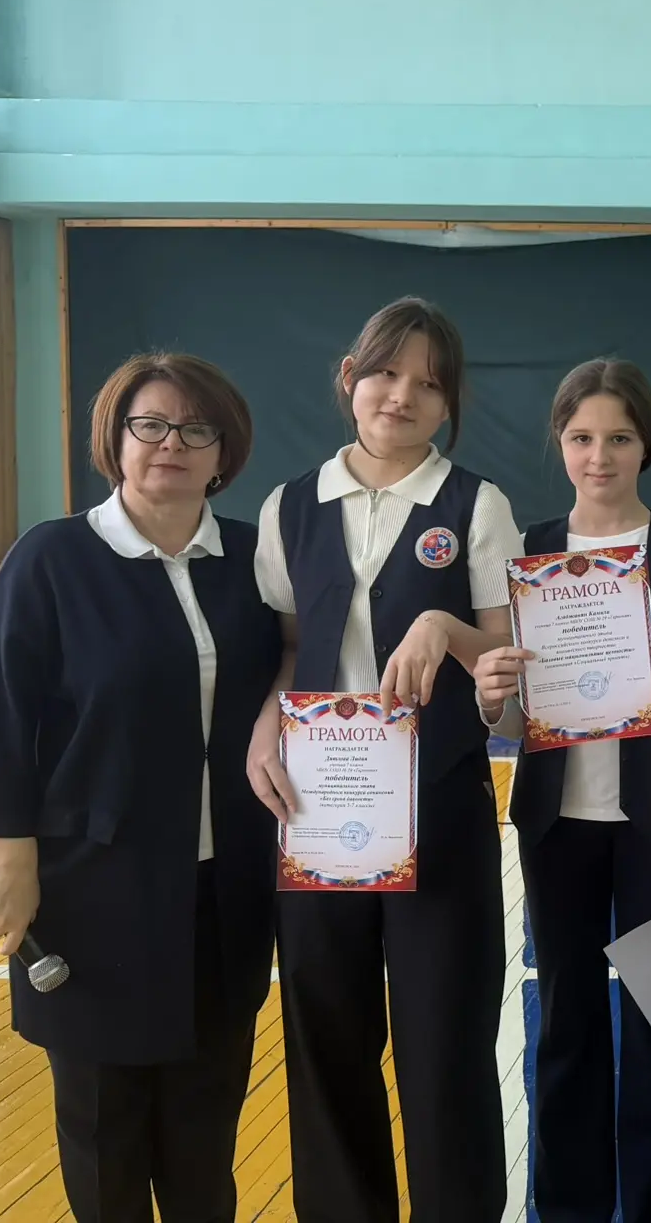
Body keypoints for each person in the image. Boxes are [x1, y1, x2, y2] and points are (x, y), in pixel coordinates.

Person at [0, 354, 284, 1223]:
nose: (172, 444)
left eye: (196, 429)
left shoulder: (254, 558)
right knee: (104, 1137)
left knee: (205, 1138)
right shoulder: (53, 558)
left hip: (224, 891)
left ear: (224, 451)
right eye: (150, 425)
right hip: (91, 890)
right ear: (115, 439)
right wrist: (14, 863)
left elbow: (306, 664)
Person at [246, 297, 521, 1223]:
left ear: (449, 404)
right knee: (327, 1039)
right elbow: (290, 646)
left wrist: (442, 626)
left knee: (446, 1044)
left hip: (438, 804)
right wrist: (264, 727)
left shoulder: (477, 505)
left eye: (428, 384)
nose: (402, 396)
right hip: (316, 810)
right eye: (385, 373)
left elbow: (506, 654)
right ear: (349, 378)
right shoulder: (290, 506)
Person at [474, 359, 651, 1223]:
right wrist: (493, 699)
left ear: (645, 445)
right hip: (557, 826)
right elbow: (514, 716)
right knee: (569, 1021)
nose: (599, 456)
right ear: (560, 442)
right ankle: (571, 1206)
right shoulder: (529, 551)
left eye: (618, 438)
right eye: (582, 438)